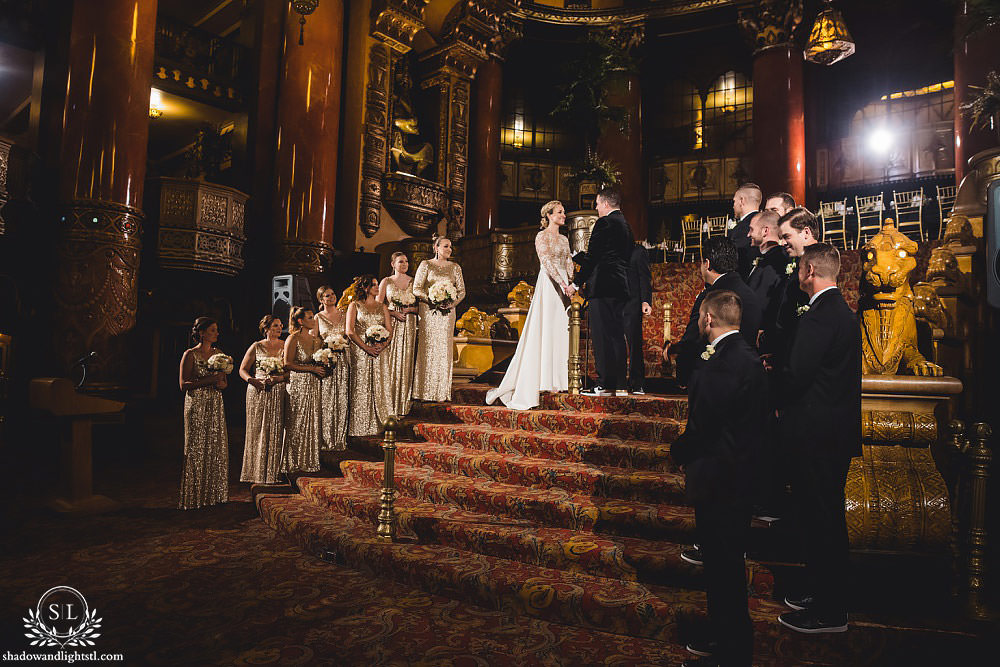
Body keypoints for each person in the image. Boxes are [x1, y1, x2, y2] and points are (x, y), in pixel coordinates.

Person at [671, 290, 767, 667]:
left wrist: (679, 452)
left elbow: (705, 424)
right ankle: (724, 637)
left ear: (708, 320)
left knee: (723, 568)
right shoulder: (744, 355)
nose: (698, 323)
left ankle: (731, 648)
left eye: (699, 318)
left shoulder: (725, 362)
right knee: (724, 565)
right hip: (736, 472)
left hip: (722, 477)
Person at [777, 243, 861, 634]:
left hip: (817, 434)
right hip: (832, 431)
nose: (795, 273)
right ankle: (823, 592)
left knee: (822, 520)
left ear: (809, 270)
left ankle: (831, 610)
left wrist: (769, 387)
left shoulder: (820, 315)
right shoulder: (841, 310)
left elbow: (796, 375)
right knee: (822, 517)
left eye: (798, 267)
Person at [487, 200, 575, 409]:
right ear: (549, 216)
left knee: (562, 328)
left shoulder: (564, 239)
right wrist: (562, 283)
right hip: (550, 283)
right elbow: (546, 261)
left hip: (564, 285)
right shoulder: (541, 236)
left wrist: (571, 282)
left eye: (563, 212)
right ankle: (544, 378)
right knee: (546, 327)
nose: (564, 215)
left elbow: (568, 260)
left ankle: (560, 379)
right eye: (560, 212)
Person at [665, 236, 761, 387]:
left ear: (707, 263)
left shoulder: (711, 296)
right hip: (748, 372)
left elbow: (694, 338)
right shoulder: (750, 293)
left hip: (715, 376)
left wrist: (682, 373)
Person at [572, 186, 633, 396]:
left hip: (603, 286)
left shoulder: (604, 222)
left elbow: (594, 257)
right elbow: (618, 256)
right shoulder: (626, 225)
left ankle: (604, 383)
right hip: (620, 285)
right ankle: (620, 384)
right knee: (616, 335)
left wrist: (576, 283)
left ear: (606, 203)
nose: (596, 208)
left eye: (597, 203)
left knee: (601, 336)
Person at [760, 207, 821, 373]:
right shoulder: (796, 263)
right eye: (781, 238)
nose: (782, 243)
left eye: (787, 236)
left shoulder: (819, 265)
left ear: (806, 233)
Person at [178, 317, 229, 509]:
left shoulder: (220, 354)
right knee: (196, 447)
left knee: (215, 445)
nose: (216, 333)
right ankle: (194, 495)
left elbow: (224, 383)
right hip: (196, 404)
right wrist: (210, 380)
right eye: (213, 330)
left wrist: (220, 383)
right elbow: (183, 385)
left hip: (215, 403)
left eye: (217, 330)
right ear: (202, 333)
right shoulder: (190, 354)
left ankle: (214, 494)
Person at [412, 236, 466, 402]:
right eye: (446, 246)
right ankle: (423, 391)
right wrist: (433, 300)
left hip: (447, 313)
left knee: (444, 349)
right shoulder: (426, 265)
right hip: (429, 312)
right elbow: (417, 288)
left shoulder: (455, 267)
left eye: (450, 247)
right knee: (427, 348)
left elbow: (462, 291)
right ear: (435, 248)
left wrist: (451, 303)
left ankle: (442, 392)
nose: (449, 249)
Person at [239, 315, 289, 485]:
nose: (279, 328)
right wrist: (252, 380)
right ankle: (256, 471)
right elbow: (243, 369)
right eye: (275, 325)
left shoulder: (285, 345)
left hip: (277, 389)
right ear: (266, 328)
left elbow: (290, 371)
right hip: (257, 391)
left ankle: (274, 472)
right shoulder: (257, 346)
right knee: (257, 429)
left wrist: (278, 379)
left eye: (280, 325)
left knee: (275, 428)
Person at [346, 274, 394, 436]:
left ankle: (384, 422)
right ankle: (360, 425)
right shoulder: (355, 305)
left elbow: (390, 330)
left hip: (380, 351)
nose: (377, 287)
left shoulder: (383, 307)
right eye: (373, 285)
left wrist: (383, 344)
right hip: (360, 351)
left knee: (381, 383)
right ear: (365, 287)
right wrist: (366, 347)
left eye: (377, 284)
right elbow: (350, 331)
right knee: (362, 385)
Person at [282, 306, 324, 474]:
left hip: (313, 384)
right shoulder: (293, 338)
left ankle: (309, 460)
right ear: (300, 321)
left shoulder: (317, 340)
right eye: (310, 317)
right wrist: (311, 369)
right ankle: (292, 462)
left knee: (312, 420)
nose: (313, 320)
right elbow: (287, 363)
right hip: (298, 383)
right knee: (296, 422)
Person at [377, 253, 418, 417]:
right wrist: (393, 313)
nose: (405, 264)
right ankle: (388, 402)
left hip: (408, 324)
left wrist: (409, 310)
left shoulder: (413, 281)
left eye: (407, 261)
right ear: (393, 263)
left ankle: (402, 402)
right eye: (401, 261)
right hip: (391, 323)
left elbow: (421, 307)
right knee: (391, 360)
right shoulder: (386, 281)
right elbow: (379, 305)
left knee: (406, 360)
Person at [314, 286, 350, 450]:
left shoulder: (344, 312)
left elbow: (350, 333)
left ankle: (340, 439)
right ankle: (327, 439)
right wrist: (322, 356)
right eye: (327, 296)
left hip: (343, 359)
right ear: (321, 300)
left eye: (333, 294)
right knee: (328, 399)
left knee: (342, 397)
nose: (331, 297)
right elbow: (315, 340)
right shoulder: (318, 317)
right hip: (328, 360)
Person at [746, 209, 790, 334]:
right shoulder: (767, 258)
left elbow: (762, 303)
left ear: (765, 231)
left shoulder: (774, 262)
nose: (748, 235)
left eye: (751, 229)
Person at [625, 241, 653, 395]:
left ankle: (637, 383)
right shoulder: (611, 252)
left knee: (634, 344)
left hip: (632, 304)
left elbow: (644, 277)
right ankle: (618, 381)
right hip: (614, 305)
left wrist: (645, 301)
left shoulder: (637, 251)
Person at [728, 182, 762, 281]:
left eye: (734, 201)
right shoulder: (765, 222)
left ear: (741, 201)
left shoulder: (742, 229)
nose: (733, 206)